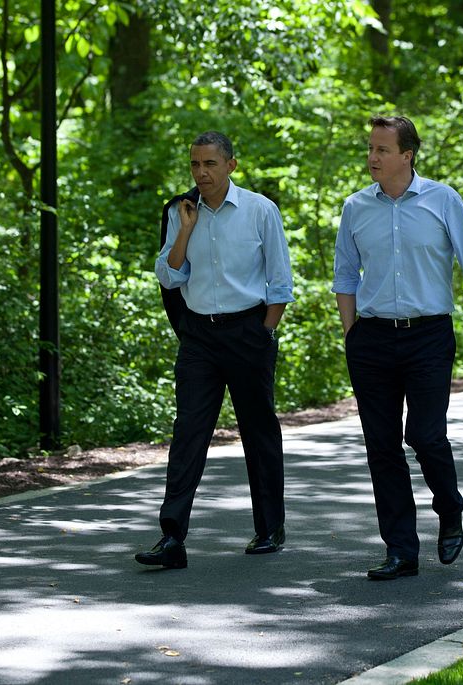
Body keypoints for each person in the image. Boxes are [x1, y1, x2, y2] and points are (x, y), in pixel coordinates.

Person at [332, 115, 463, 581]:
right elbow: (345, 276)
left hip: (428, 335)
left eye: (381, 150)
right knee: (381, 447)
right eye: (369, 149)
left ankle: (449, 508)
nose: (372, 158)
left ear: (407, 155)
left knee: (425, 435)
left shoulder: (443, 200)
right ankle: (401, 550)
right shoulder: (355, 208)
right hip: (372, 338)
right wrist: (352, 333)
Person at [135, 131, 295, 569]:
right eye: (194, 165)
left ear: (231, 165)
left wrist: (265, 332)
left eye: (209, 164)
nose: (201, 173)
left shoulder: (260, 211)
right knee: (188, 432)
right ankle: (172, 538)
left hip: (249, 332)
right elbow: (170, 277)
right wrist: (186, 230)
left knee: (259, 430)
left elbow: (280, 281)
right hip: (200, 338)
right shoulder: (180, 211)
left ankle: (268, 528)